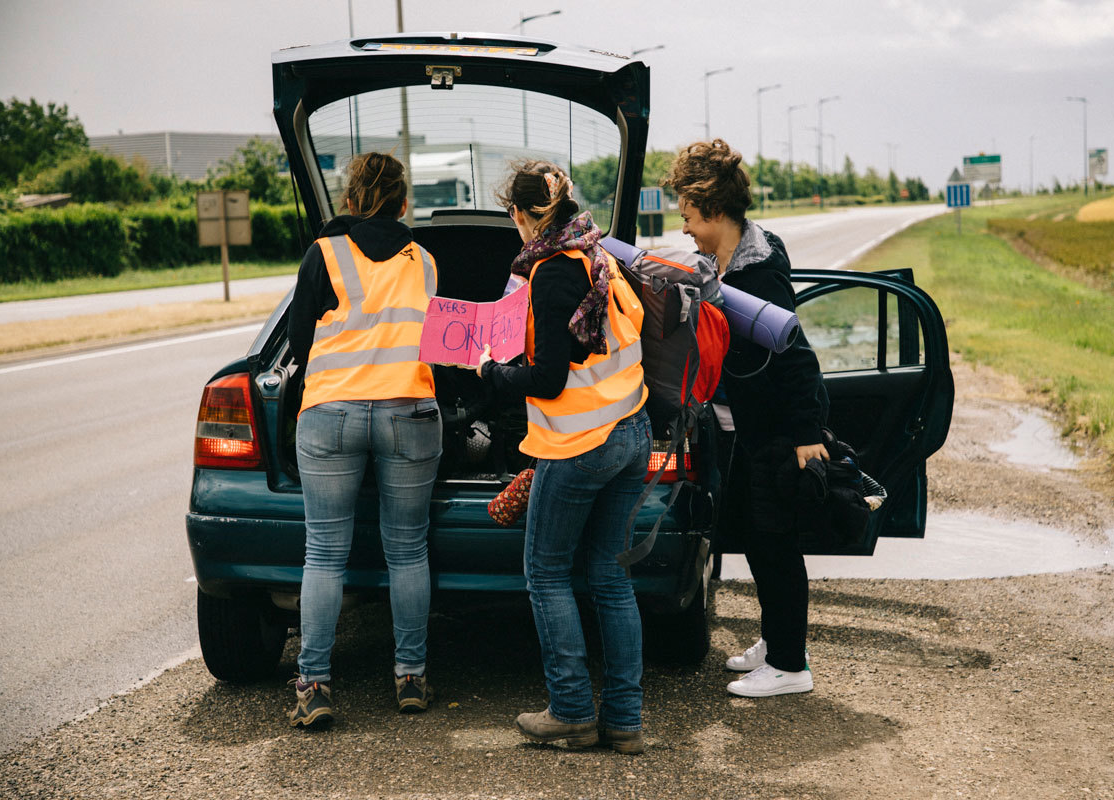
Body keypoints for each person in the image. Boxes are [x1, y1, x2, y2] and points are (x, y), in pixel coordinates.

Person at [476, 160, 651, 754]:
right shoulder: (598, 255)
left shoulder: (550, 275)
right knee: (610, 577)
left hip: (581, 445)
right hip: (633, 430)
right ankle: (624, 721)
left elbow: (548, 379)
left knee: (546, 573)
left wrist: (491, 375)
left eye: (511, 214)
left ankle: (573, 711)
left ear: (523, 214)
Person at [664, 139, 830, 698]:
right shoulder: (724, 262)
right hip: (743, 428)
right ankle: (780, 640)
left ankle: (789, 666)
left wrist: (807, 435)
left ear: (712, 208)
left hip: (776, 432)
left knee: (775, 544)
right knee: (755, 540)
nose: (683, 225)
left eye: (687, 214)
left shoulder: (757, 274)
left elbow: (796, 354)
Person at [286, 152, 441, 728]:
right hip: (409, 411)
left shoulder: (323, 254)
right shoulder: (424, 260)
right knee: (408, 550)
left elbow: (301, 343)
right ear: (405, 204)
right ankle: (410, 676)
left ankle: (314, 685)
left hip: (332, 412)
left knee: (325, 554)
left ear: (350, 201)